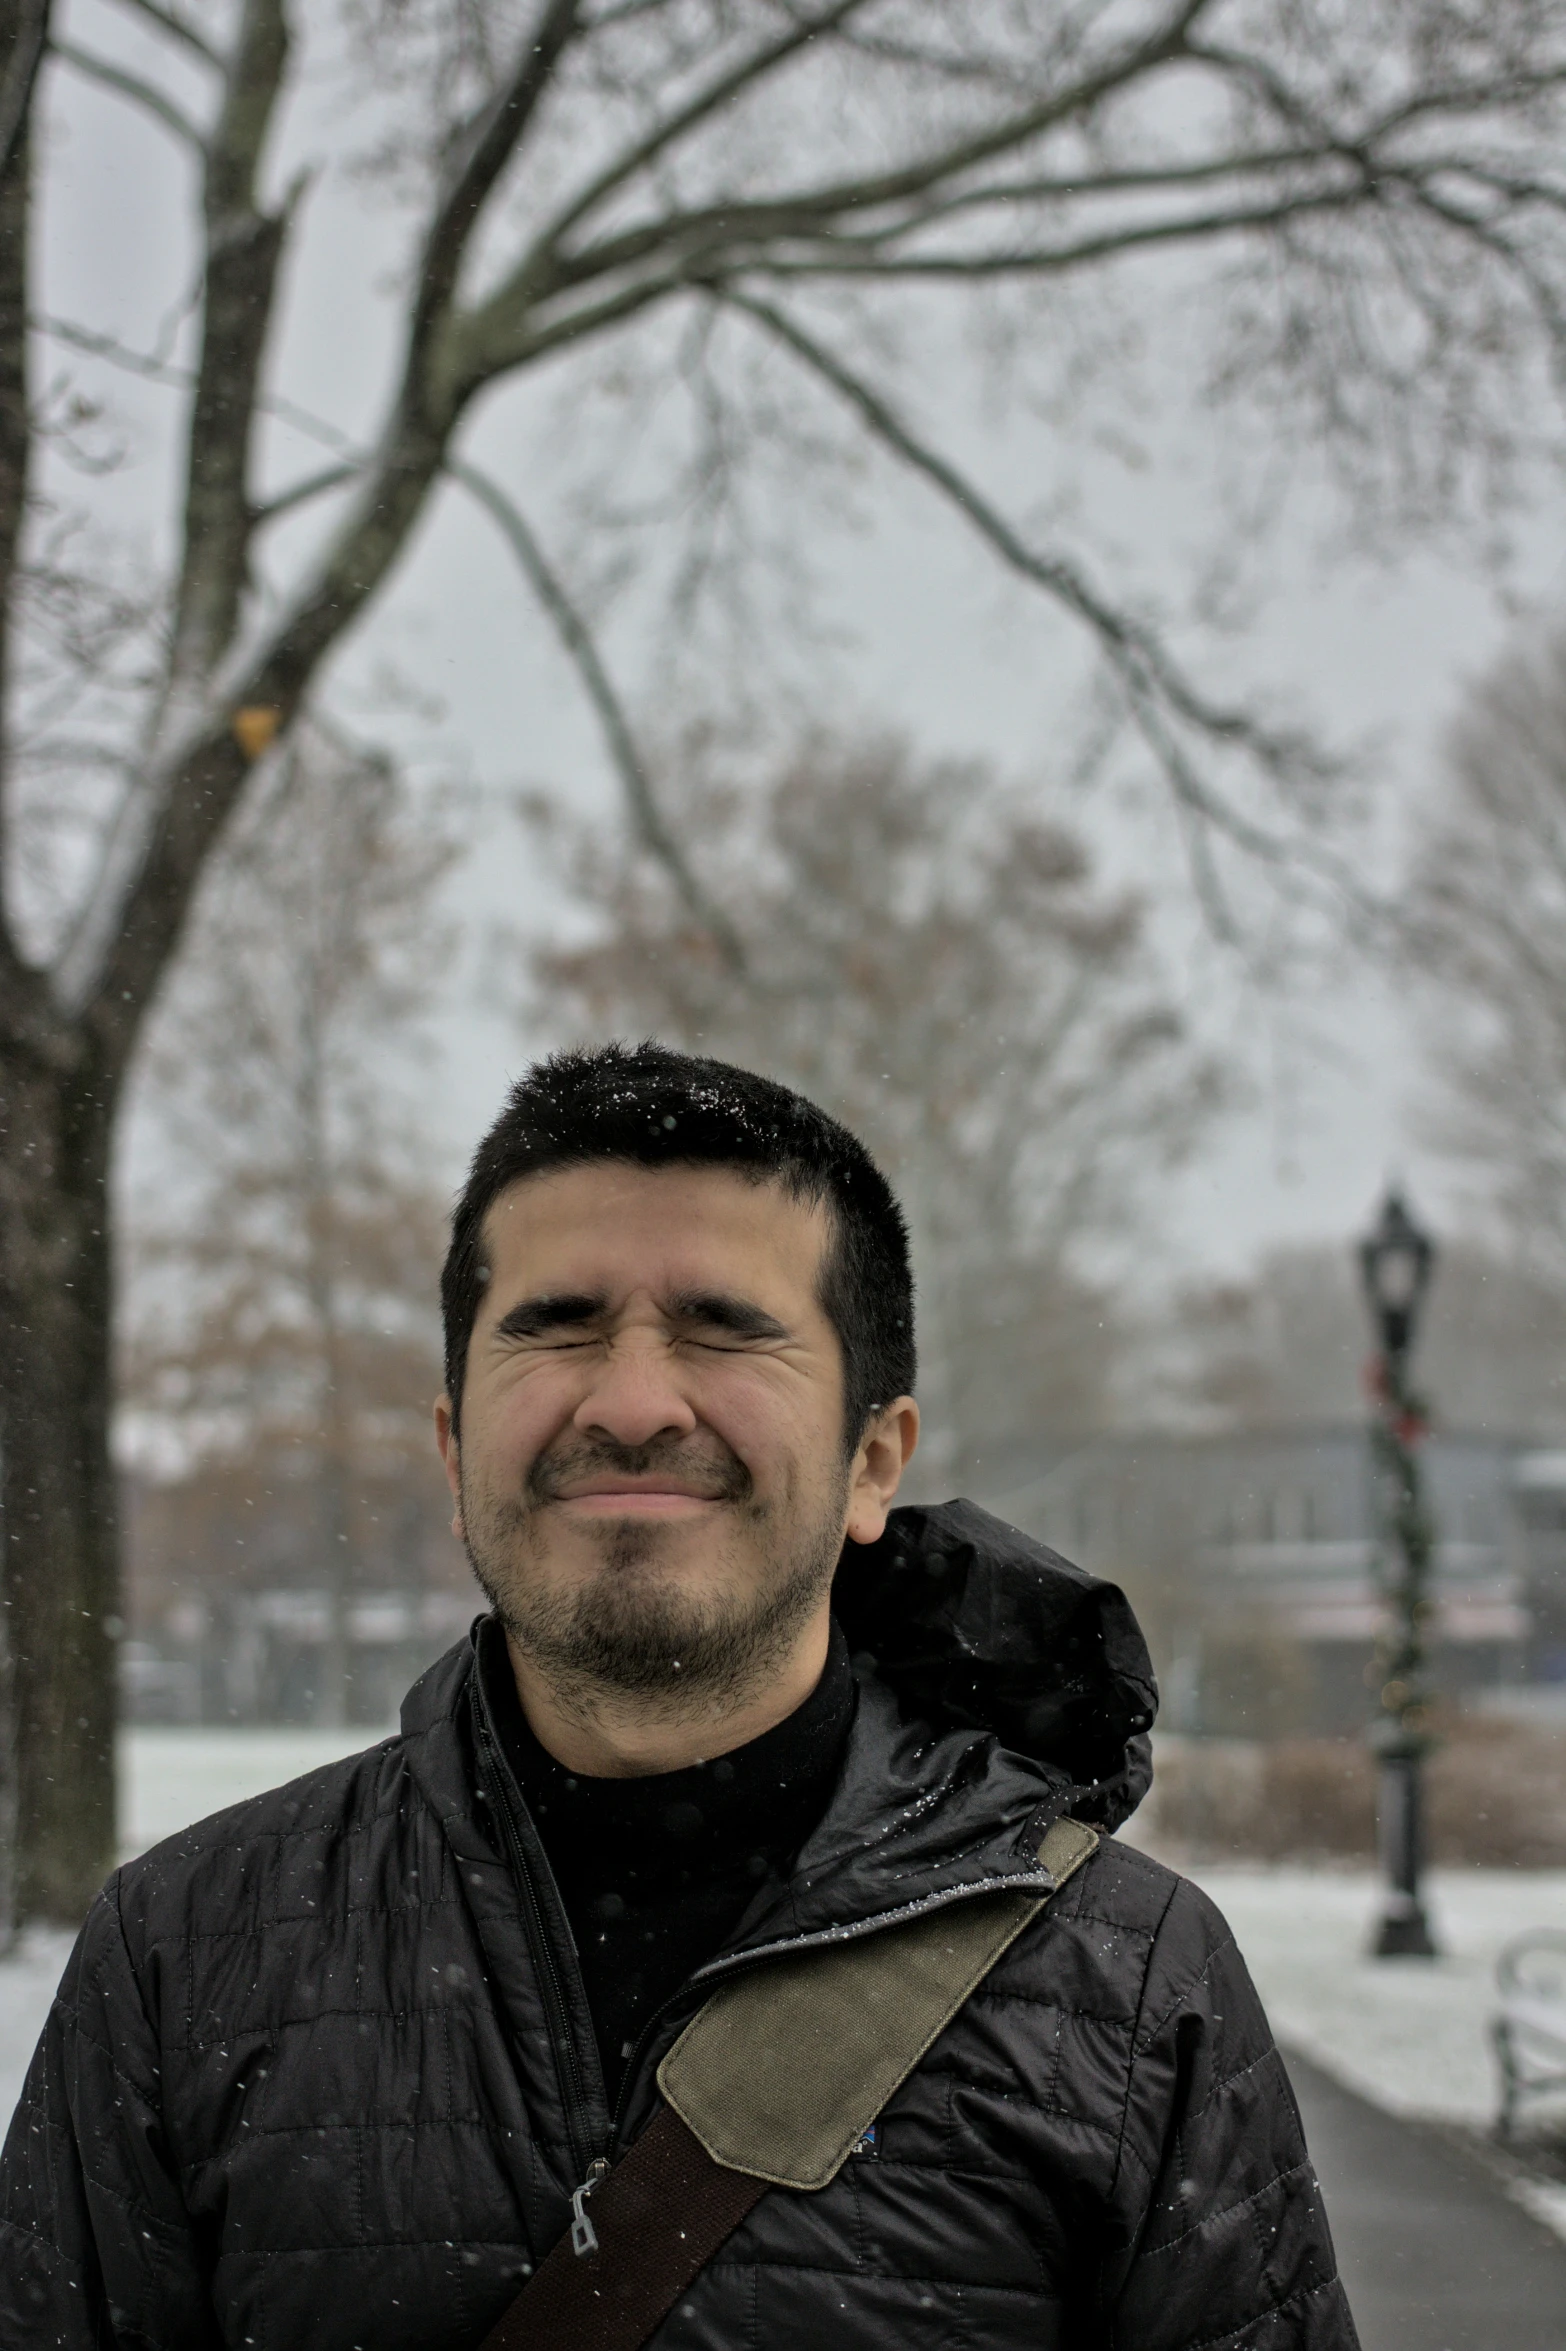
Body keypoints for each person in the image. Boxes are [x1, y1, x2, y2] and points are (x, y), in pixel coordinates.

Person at [0, 1043, 1358, 2348]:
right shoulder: (182, 1957)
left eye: (723, 1327)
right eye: (558, 1323)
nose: (637, 1400)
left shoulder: (1126, 1991)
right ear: (454, 1444)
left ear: (873, 1458)